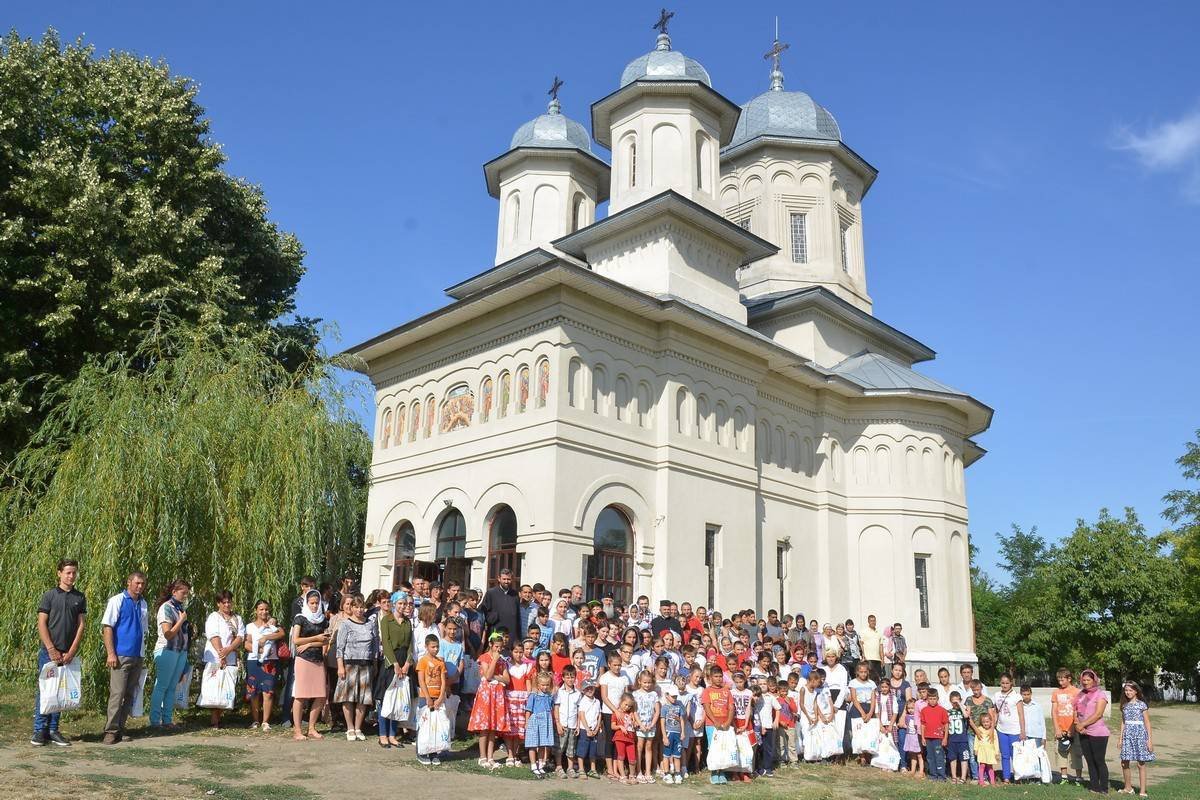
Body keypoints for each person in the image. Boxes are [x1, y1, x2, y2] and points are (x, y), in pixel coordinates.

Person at [100, 571, 149, 745]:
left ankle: (121, 728)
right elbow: (107, 627)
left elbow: (143, 630)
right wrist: (111, 653)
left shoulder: (143, 604)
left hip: (137, 655)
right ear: (129, 582)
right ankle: (110, 731)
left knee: (129, 694)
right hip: (120, 654)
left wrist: (143, 653)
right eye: (137, 583)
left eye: (142, 584)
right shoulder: (117, 600)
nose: (140, 586)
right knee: (117, 693)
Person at [335, 595, 381, 742]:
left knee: (363, 698)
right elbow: (339, 647)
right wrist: (340, 666)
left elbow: (375, 645)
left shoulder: (370, 624)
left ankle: (358, 727)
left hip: (366, 664)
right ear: (352, 608)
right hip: (349, 663)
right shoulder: (345, 624)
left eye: (362, 607)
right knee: (348, 697)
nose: (360, 610)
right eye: (356, 607)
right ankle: (349, 728)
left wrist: (374, 664)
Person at [147, 579, 190, 730]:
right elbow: (168, 634)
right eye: (183, 592)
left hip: (180, 651)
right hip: (167, 650)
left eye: (187, 593)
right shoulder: (166, 608)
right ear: (174, 592)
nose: (185, 596)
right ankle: (154, 720)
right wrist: (182, 620)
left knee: (172, 687)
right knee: (162, 686)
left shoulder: (180, 608)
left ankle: (167, 720)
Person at [290, 588, 330, 740]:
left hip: (318, 659)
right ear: (307, 603)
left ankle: (312, 728)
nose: (314, 606)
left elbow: (326, 640)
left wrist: (311, 643)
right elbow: (296, 640)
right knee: (300, 696)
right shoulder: (300, 618)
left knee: (320, 695)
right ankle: (298, 730)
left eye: (317, 603)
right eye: (312, 603)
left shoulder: (322, 619)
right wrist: (315, 640)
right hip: (303, 660)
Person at [202, 590, 245, 729]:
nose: (227, 604)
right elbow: (214, 635)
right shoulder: (214, 617)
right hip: (215, 657)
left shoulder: (237, 618)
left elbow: (240, 636)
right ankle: (214, 720)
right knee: (215, 687)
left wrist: (229, 649)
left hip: (231, 656)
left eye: (229, 601)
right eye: (224, 602)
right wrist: (222, 654)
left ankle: (219, 717)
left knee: (226, 687)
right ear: (218, 603)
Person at [468, 633, 511, 768]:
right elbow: (487, 675)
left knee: (493, 727)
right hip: (486, 694)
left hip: (497, 694)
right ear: (491, 645)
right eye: (496, 646)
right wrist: (494, 661)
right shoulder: (484, 658)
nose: (498, 649)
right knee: (485, 727)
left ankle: (491, 756)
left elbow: (507, 679)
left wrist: (496, 676)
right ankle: (482, 756)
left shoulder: (503, 661)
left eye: (500, 647)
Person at [379, 593, 413, 747]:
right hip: (390, 662)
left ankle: (393, 735)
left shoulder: (408, 622)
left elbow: (411, 644)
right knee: (386, 700)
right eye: (399, 603)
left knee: (398, 701)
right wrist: (394, 663)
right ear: (393, 604)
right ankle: (382, 735)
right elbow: (386, 642)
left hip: (404, 660)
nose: (402, 606)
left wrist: (407, 663)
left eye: (404, 604)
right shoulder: (387, 620)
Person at [244, 599, 284, 731]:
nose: (264, 611)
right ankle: (255, 720)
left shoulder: (273, 626)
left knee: (268, 691)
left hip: (270, 661)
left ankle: (265, 722)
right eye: (261, 609)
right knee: (254, 692)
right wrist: (258, 649)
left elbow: (282, 633)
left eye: (266, 609)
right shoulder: (250, 626)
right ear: (256, 611)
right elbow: (246, 643)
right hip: (254, 661)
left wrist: (267, 637)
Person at [1075, 668, 1111, 795]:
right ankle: (1094, 787)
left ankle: (1104, 788)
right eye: (1083, 680)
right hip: (1083, 732)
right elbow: (1076, 711)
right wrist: (1077, 725)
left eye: (1088, 680)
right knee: (1089, 761)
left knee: (1099, 760)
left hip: (1098, 732)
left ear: (1094, 680)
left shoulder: (1100, 694)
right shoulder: (1080, 694)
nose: (1085, 682)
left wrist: (1082, 724)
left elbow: (1098, 714)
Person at [416, 633, 448, 764]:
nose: (436, 649)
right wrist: (428, 698)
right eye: (433, 647)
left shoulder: (440, 662)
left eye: (437, 647)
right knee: (424, 725)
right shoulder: (422, 661)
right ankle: (421, 752)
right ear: (426, 647)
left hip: (437, 697)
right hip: (425, 697)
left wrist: (440, 697)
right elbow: (421, 681)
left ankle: (434, 751)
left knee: (435, 726)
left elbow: (443, 681)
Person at [598, 650, 631, 778]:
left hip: (622, 713)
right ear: (609, 664)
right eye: (615, 665)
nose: (618, 667)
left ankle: (618, 769)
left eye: (619, 665)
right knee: (609, 740)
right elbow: (604, 697)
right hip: (608, 712)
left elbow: (626, 695)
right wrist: (615, 710)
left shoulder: (624, 677)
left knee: (620, 740)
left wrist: (625, 711)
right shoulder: (605, 677)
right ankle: (610, 769)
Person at [1119, 681, 1154, 797]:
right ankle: (1128, 788)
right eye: (1126, 690)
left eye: (1130, 690)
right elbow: (1123, 722)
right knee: (1124, 762)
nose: (1128, 692)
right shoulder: (1124, 705)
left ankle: (1142, 791)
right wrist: (1120, 738)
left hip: (1140, 735)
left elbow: (1147, 723)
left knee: (1141, 763)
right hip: (1127, 735)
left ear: (1136, 691)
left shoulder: (1142, 705)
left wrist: (1149, 740)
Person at [1049, 667, 1084, 785]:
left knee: (1076, 753)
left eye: (1062, 680)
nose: (1060, 682)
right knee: (1061, 752)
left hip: (1074, 729)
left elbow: (1079, 711)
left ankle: (1078, 777)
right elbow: (1053, 711)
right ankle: (1064, 777)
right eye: (1059, 680)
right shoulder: (1056, 693)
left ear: (1069, 679)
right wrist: (1057, 728)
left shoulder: (1077, 692)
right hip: (1061, 729)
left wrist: (1074, 728)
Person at [702, 664, 734, 784]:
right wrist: (715, 721)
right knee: (713, 748)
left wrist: (728, 722)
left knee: (723, 748)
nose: (719, 678)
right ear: (710, 677)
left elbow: (731, 707)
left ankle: (722, 772)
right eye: (716, 676)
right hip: (712, 725)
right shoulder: (707, 691)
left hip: (725, 724)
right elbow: (706, 707)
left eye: (720, 676)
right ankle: (714, 772)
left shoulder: (726, 691)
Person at [524, 670, 556, 777]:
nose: (545, 687)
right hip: (535, 720)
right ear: (538, 684)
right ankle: (533, 765)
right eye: (543, 685)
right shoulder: (534, 695)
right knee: (533, 744)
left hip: (546, 721)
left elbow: (551, 707)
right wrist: (527, 722)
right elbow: (528, 709)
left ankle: (540, 764)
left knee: (543, 744)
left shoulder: (549, 696)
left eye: (547, 685)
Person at [631, 670, 660, 784]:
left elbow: (657, 711)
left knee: (649, 747)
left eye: (649, 682)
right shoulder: (636, 694)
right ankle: (639, 772)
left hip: (651, 726)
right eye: (645, 682)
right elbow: (634, 711)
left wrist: (652, 724)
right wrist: (640, 724)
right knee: (639, 748)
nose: (647, 685)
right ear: (639, 682)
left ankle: (648, 772)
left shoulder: (654, 694)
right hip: (640, 726)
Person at [992, 673, 1021, 783]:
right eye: (1003, 683)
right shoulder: (996, 695)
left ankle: (1018, 776)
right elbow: (994, 711)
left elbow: (1021, 714)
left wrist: (1023, 731)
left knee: (1015, 755)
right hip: (1001, 729)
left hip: (1014, 729)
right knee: (1004, 754)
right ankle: (1006, 777)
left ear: (1011, 683)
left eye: (1007, 683)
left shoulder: (1016, 696)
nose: (1004, 685)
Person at [554, 664, 582, 777]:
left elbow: (580, 710)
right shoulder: (559, 692)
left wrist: (578, 725)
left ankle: (570, 768)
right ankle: (559, 766)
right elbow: (556, 708)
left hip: (573, 724)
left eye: (572, 677)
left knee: (571, 748)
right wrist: (558, 723)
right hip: (563, 724)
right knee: (559, 747)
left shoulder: (578, 694)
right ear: (563, 678)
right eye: (568, 677)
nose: (570, 679)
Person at [479, 568, 520, 642]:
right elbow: (483, 611)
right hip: (496, 630)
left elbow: (518, 616)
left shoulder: (515, 594)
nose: (506, 581)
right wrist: (493, 617)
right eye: (504, 579)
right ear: (499, 579)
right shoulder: (491, 593)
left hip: (511, 633)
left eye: (508, 579)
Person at [920, 687, 949, 781]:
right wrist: (923, 738)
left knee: (939, 757)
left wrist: (945, 738)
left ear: (937, 698)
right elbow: (923, 724)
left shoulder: (942, 710)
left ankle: (941, 776)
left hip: (938, 738)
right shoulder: (924, 710)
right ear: (927, 699)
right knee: (930, 757)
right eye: (930, 699)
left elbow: (946, 724)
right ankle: (933, 775)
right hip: (928, 738)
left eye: (934, 699)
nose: (932, 701)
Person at [660, 682, 685, 783]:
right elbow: (662, 723)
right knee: (666, 754)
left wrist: (683, 732)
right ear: (667, 695)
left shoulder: (679, 706)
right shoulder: (664, 708)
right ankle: (667, 773)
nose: (674, 698)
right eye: (672, 696)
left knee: (677, 755)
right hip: (669, 733)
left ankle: (678, 773)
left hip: (677, 733)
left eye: (676, 696)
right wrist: (664, 736)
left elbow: (682, 720)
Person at [577, 678, 602, 778]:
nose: (590, 690)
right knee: (582, 750)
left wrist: (596, 728)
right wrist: (587, 729)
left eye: (591, 688)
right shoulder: (583, 701)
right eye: (587, 689)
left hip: (594, 729)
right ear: (583, 690)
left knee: (593, 751)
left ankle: (593, 769)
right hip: (584, 729)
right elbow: (581, 715)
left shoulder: (597, 702)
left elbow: (599, 715)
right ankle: (581, 769)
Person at [611, 694, 639, 785]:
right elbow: (613, 726)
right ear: (621, 702)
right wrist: (620, 727)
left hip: (630, 739)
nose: (627, 707)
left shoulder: (630, 714)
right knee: (621, 756)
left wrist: (635, 723)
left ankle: (632, 775)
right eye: (625, 704)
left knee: (632, 758)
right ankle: (622, 776)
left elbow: (633, 725)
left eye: (629, 706)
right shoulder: (616, 713)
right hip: (620, 738)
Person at [947, 691, 971, 784]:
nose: (955, 704)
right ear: (950, 701)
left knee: (964, 758)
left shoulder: (963, 711)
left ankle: (963, 777)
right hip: (952, 739)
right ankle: (954, 776)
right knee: (953, 758)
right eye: (953, 702)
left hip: (962, 740)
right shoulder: (948, 712)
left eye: (957, 701)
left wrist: (960, 704)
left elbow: (966, 715)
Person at [1018, 683, 1046, 751]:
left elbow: (1042, 722)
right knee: (1026, 757)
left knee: (1037, 756)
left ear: (1031, 694)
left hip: (1036, 735)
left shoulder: (1037, 706)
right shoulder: (1019, 706)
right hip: (1025, 735)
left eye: (1028, 694)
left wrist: (1044, 737)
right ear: (1020, 694)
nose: (1026, 696)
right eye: (1024, 695)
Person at [974, 713, 999, 785]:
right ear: (981, 723)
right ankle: (981, 781)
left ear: (991, 721)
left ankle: (992, 782)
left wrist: (996, 752)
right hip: (982, 751)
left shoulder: (993, 731)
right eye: (984, 722)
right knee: (982, 766)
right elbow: (976, 740)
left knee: (990, 767)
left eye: (987, 722)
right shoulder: (979, 729)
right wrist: (976, 749)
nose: (986, 723)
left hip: (990, 751)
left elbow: (996, 742)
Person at [901, 696, 922, 774]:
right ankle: (913, 770)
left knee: (919, 755)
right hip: (909, 737)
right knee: (912, 754)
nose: (910, 710)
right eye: (909, 708)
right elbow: (904, 724)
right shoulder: (907, 716)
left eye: (912, 708)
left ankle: (921, 771)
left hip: (916, 738)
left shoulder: (918, 716)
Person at [860, 615, 883, 681]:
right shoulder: (864, 631)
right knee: (869, 677)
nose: (873, 622)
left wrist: (882, 659)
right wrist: (863, 655)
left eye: (874, 621)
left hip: (878, 659)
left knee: (877, 678)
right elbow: (861, 644)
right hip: (868, 658)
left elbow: (881, 646)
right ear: (868, 622)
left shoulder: (879, 632)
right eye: (871, 621)